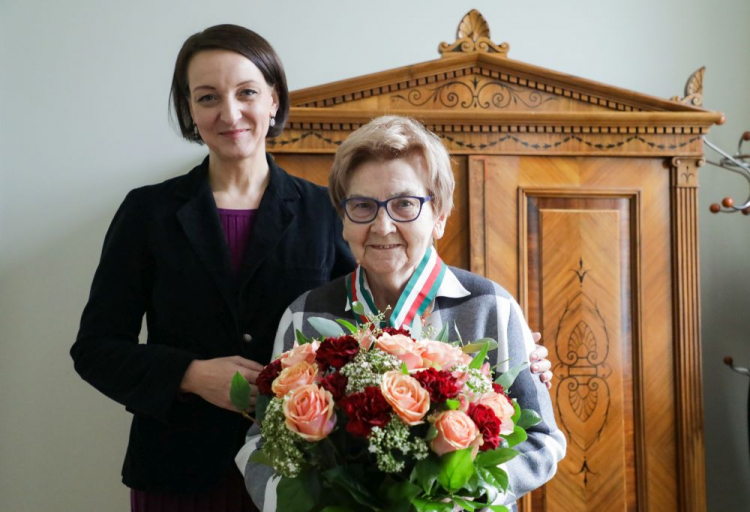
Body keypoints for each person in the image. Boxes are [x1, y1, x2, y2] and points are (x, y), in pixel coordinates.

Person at [71, 25, 552, 511]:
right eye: (208, 97)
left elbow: (386, 313)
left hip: (321, 478)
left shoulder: (334, 211)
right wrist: (190, 374)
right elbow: (95, 349)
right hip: (179, 467)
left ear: (274, 100)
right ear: (189, 110)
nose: (230, 112)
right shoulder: (146, 213)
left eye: (247, 92)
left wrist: (510, 352)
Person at [240, 116, 566, 512]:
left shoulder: (491, 306)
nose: (382, 225)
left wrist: (459, 498)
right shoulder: (303, 314)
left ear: (440, 215)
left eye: (405, 204)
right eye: (362, 205)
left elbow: (542, 439)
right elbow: (261, 442)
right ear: (343, 218)